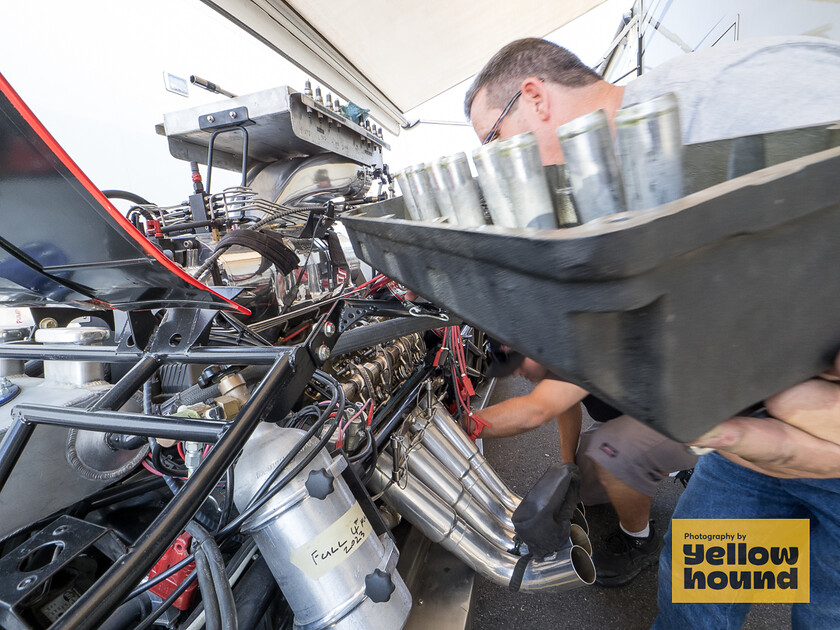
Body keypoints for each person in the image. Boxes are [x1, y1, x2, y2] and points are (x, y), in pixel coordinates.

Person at [465, 36, 840, 628]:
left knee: (822, 611)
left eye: (493, 144)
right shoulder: (604, 199)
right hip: (752, 450)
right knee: (696, 604)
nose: (500, 168)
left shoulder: (733, 92)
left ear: (533, 98)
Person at [478, 352, 696, 586]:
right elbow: (564, 405)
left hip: (689, 422)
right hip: (636, 416)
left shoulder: (580, 344)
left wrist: (463, 424)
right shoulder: (554, 351)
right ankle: (653, 463)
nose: (514, 372)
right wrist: (569, 469)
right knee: (587, 485)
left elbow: (535, 412)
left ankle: (640, 540)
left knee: (613, 451)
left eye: (515, 361)